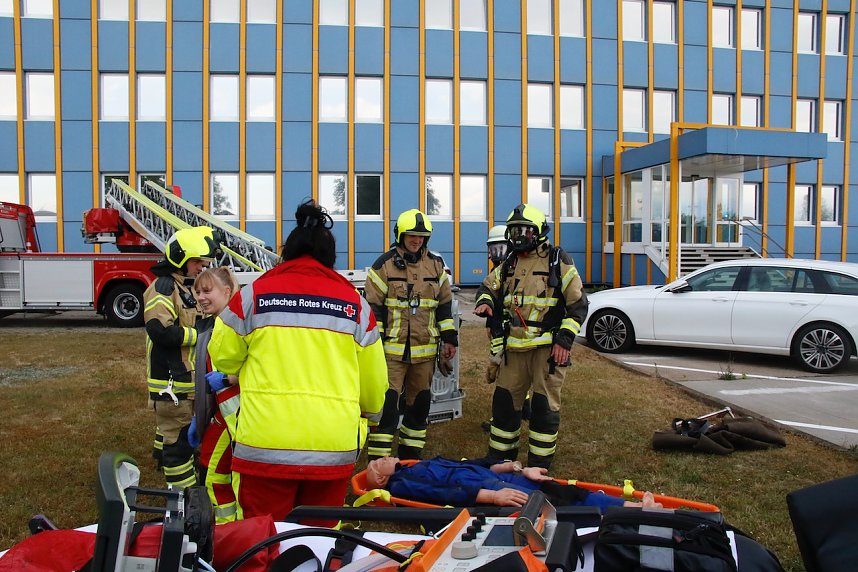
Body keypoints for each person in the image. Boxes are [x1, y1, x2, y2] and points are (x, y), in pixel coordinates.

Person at [208, 200, 388, 523]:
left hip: (265, 447)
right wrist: (368, 418)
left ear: (287, 252)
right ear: (330, 257)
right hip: (332, 449)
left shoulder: (254, 294)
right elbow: (375, 388)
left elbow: (223, 355)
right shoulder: (356, 305)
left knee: (264, 541)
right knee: (318, 541)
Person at [474, 204, 588, 470]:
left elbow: (579, 304)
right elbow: (488, 286)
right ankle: (500, 460)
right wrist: (486, 301)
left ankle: (539, 464)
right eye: (514, 230)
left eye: (525, 230)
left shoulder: (557, 259)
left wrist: (564, 341)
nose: (518, 236)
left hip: (546, 351)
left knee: (543, 407)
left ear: (538, 232)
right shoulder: (510, 262)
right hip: (513, 350)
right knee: (504, 405)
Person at [364, 209, 458, 461]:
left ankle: (410, 459)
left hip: (425, 352)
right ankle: (379, 462)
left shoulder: (436, 265)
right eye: (411, 236)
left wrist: (449, 338)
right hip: (391, 352)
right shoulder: (382, 266)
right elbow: (373, 308)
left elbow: (445, 305)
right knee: (387, 408)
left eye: (421, 236)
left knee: (419, 406)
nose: (416, 240)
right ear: (400, 236)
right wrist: (376, 346)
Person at [144, 226, 218, 489]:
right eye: (198, 261)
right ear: (180, 258)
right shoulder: (163, 288)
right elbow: (159, 330)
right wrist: (200, 336)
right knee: (177, 449)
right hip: (172, 385)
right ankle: (185, 499)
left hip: (187, 384)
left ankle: (168, 462)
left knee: (177, 435)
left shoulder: (186, 287)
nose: (202, 267)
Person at [365, 457, 662, 511]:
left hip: (503, 479)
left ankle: (635, 506)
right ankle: (632, 515)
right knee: (564, 507)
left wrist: (519, 468)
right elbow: (444, 493)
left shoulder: (419, 464)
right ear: (381, 478)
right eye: (380, 462)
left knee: (568, 491)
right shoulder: (402, 484)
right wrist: (491, 498)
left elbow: (469, 465)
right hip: (494, 492)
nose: (386, 456)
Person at [188, 266, 241, 523]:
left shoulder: (237, 327)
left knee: (215, 477)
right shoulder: (211, 326)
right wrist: (200, 416)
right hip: (222, 415)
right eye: (197, 291)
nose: (200, 297)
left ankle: (225, 532)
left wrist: (228, 379)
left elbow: (260, 367)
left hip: (239, 418)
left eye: (207, 291)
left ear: (227, 291)